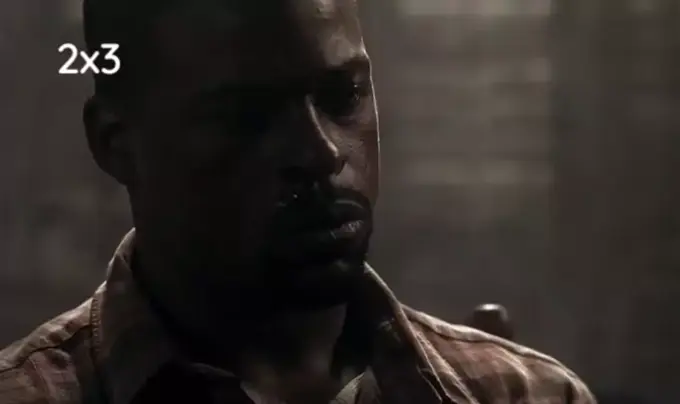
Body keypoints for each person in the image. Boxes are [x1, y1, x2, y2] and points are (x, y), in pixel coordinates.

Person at [0, 1, 596, 403]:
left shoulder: (530, 395)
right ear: (116, 144)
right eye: (247, 115)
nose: (321, 152)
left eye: (344, 95)